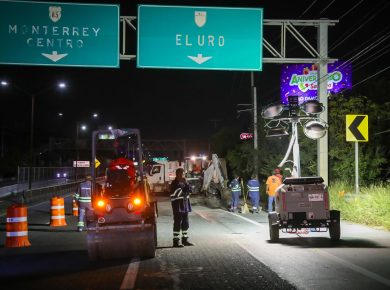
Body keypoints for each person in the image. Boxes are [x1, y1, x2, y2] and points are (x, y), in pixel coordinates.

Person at [170, 168, 193, 247]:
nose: (183, 175)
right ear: (177, 174)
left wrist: (186, 183)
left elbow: (190, 190)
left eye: (183, 174)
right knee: (177, 224)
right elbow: (178, 193)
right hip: (178, 207)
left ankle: (185, 240)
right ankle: (176, 242)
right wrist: (185, 188)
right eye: (181, 174)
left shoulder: (184, 183)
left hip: (185, 207)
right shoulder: (174, 183)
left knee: (185, 224)